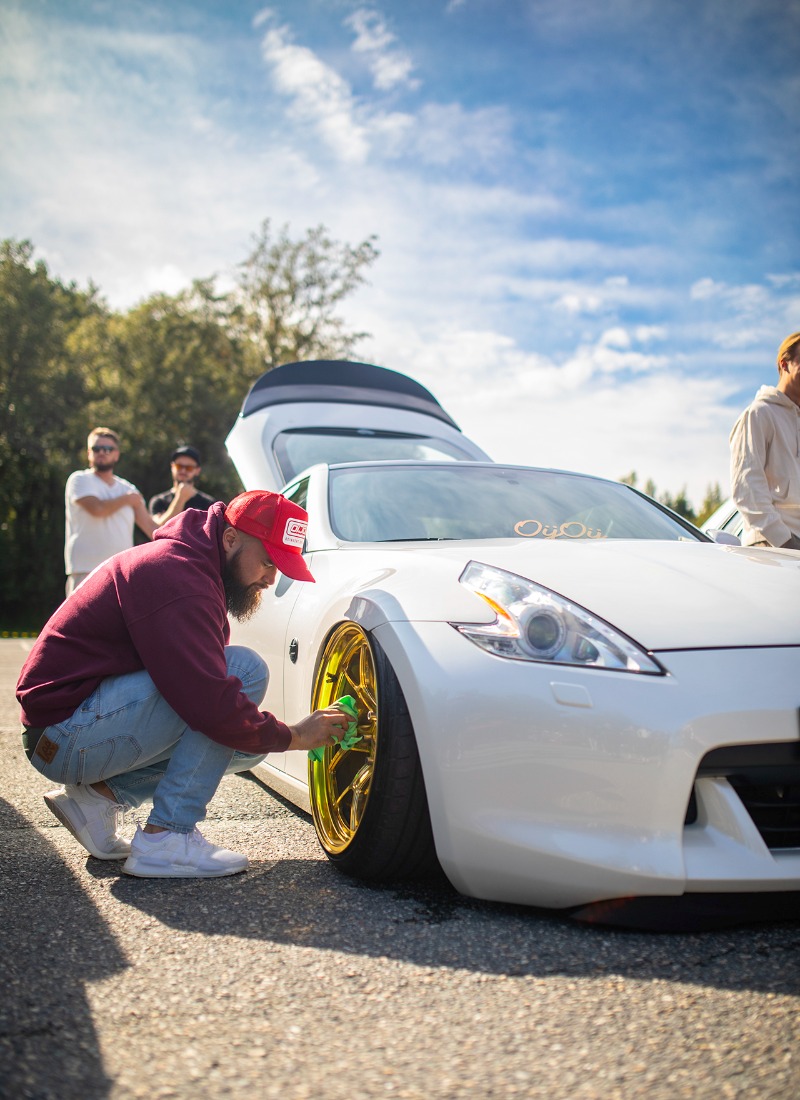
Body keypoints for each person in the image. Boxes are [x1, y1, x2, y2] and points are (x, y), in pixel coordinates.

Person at [16, 490, 347, 879]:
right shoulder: (177, 575)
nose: (271, 579)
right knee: (243, 673)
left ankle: (96, 800)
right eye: (268, 561)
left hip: (70, 728)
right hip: (62, 735)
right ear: (230, 538)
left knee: (247, 747)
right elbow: (209, 702)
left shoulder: (192, 566)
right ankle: (166, 840)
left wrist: (272, 735)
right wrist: (296, 735)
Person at [729, 331, 800, 550]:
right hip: (771, 547)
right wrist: (783, 540)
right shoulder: (759, 414)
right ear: (784, 364)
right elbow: (746, 487)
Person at [65, 427, 156, 595]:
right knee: (83, 622)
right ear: (88, 453)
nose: (102, 452)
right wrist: (127, 499)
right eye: (96, 449)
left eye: (108, 449)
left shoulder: (127, 487)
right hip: (85, 570)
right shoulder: (79, 480)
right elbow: (97, 509)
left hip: (120, 574)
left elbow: (152, 529)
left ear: (117, 454)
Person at [149, 445, 215, 527]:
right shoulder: (158, 501)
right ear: (172, 467)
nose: (183, 470)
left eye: (189, 468)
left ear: (197, 470)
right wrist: (180, 498)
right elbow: (157, 530)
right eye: (179, 466)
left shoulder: (210, 504)